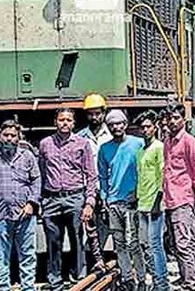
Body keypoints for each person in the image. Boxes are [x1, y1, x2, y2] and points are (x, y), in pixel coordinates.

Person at [38, 108, 98, 291]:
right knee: (52, 242)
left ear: (74, 123)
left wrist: (89, 202)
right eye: (61, 119)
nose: (65, 123)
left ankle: (79, 279)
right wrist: (40, 200)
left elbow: (91, 175)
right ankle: (54, 280)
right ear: (55, 121)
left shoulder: (82, 144)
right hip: (51, 199)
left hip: (75, 198)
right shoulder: (45, 144)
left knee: (77, 240)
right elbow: (40, 173)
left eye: (69, 120)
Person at [0, 120, 42, 291]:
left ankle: (27, 287)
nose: (9, 138)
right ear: (0, 136)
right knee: (1, 253)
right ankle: (2, 286)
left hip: (25, 213)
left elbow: (36, 180)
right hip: (1, 213)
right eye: (6, 135)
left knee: (27, 252)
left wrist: (32, 203)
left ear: (19, 138)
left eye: (13, 135)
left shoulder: (27, 156)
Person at [97, 110, 145, 290]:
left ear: (125, 124)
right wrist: (104, 198)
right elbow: (102, 176)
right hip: (113, 202)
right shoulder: (104, 149)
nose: (116, 127)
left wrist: (140, 194)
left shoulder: (138, 144)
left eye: (119, 124)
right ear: (108, 127)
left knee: (134, 243)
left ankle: (141, 278)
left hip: (133, 202)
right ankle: (127, 278)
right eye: (111, 125)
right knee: (119, 243)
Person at [162, 103, 195, 291]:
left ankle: (192, 282)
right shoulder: (167, 141)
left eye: (176, 118)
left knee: (183, 241)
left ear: (184, 120)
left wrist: (190, 194)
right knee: (175, 241)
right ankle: (184, 276)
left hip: (182, 198)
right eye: (170, 118)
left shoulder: (190, 142)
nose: (172, 122)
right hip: (169, 198)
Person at [134, 111, 168, 291]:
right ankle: (156, 281)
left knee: (155, 245)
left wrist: (159, 201)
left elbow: (163, 175)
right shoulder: (140, 152)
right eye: (142, 127)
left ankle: (162, 284)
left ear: (154, 128)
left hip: (155, 204)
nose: (145, 130)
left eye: (148, 126)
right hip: (142, 204)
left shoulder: (159, 148)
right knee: (146, 245)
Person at [77, 93, 111, 272]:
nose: (94, 117)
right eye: (90, 114)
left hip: (108, 189)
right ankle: (87, 266)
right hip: (88, 190)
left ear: (104, 113)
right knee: (86, 229)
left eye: (97, 113)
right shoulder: (80, 138)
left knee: (107, 227)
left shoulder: (113, 135)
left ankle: (104, 260)